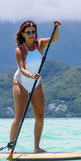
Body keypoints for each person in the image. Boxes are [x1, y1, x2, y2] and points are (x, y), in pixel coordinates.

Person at [8, 20, 61, 153]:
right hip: (21, 82)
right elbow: (22, 69)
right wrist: (31, 75)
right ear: (23, 34)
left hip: (36, 83)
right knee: (19, 117)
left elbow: (54, 39)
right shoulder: (20, 50)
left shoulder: (40, 44)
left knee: (40, 116)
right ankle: (10, 147)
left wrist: (57, 28)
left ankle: (36, 147)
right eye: (28, 32)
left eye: (33, 32)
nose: (32, 34)